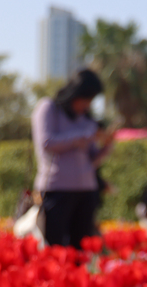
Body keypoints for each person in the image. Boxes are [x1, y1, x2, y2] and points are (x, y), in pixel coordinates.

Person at [31, 69, 113, 249]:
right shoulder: (49, 108)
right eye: (85, 98)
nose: (87, 104)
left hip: (86, 190)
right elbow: (46, 142)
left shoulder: (86, 118)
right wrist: (83, 137)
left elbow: (91, 160)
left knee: (80, 248)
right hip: (57, 187)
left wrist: (107, 145)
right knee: (55, 246)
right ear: (75, 93)